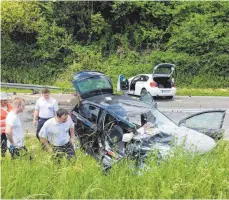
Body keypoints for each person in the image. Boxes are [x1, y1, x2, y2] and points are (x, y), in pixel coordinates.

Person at [0, 92, 12, 157]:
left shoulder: (9, 106)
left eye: (6, 100)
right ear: (0, 101)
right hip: (2, 131)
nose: (5, 101)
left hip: (10, 129)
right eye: (4, 100)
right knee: (3, 143)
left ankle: (13, 155)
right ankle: (3, 156)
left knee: (11, 143)